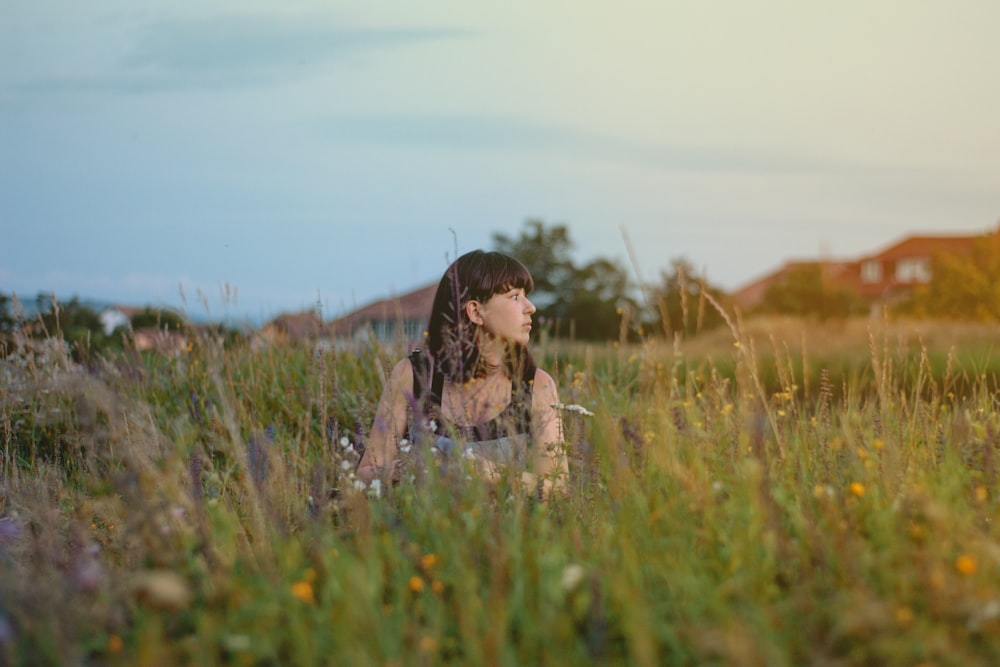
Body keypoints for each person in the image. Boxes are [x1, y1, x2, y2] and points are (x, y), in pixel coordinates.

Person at [356, 250, 567, 497]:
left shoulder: (536, 384)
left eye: (526, 296)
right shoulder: (413, 376)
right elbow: (364, 474)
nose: (530, 307)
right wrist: (411, 466)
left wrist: (486, 472)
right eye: (515, 296)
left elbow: (559, 489)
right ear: (476, 312)